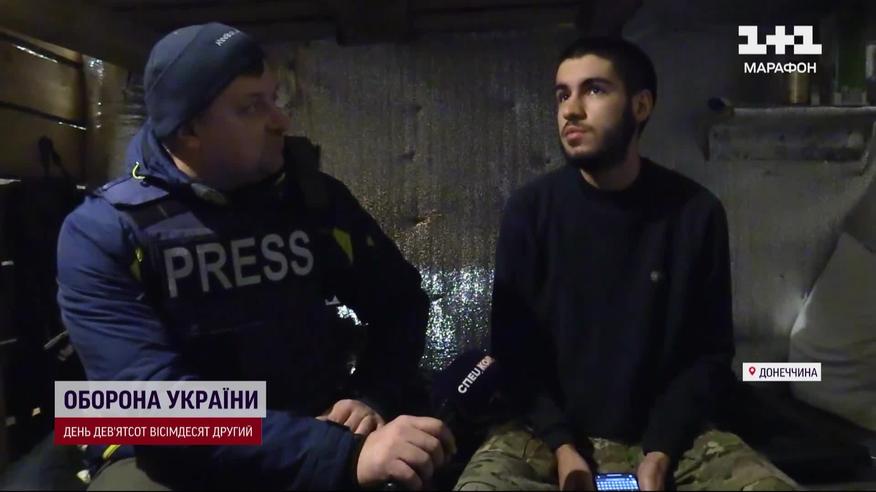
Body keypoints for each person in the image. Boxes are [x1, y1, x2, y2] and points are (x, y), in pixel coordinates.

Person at [57, 23, 453, 490]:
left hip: (308, 423)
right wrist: (340, 454)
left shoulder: (313, 202)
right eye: (251, 107)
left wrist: (371, 396)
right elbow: (151, 406)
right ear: (188, 130)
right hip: (163, 448)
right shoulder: (103, 231)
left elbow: (400, 303)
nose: (281, 120)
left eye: (273, 98)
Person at [453, 37, 798, 491]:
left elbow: (709, 357)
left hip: (675, 438)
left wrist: (660, 451)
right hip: (543, 435)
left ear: (640, 105)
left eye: (594, 90)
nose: (571, 110)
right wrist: (562, 446)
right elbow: (513, 356)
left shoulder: (695, 213)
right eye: (562, 95)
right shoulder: (530, 211)